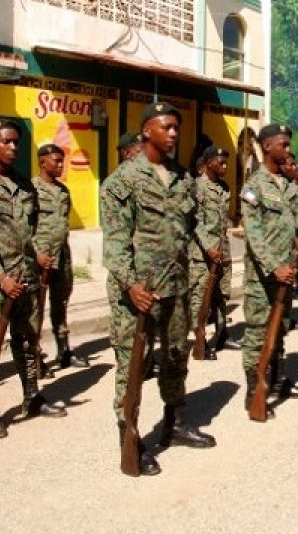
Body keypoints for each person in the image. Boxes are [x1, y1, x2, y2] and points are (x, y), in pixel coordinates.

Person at [101, 102, 216, 476]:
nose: (173, 133)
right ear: (146, 130)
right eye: (165, 127)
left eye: (175, 128)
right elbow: (115, 245)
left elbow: (192, 227)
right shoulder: (122, 181)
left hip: (176, 287)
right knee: (131, 366)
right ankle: (129, 437)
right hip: (137, 292)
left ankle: (176, 422)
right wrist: (131, 284)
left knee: (174, 357)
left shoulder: (183, 179)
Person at [0, 119, 67, 439]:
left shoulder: (25, 185)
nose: (12, 147)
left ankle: (32, 396)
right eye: (5, 141)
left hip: (25, 277)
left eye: (16, 142)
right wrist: (0, 276)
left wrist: (34, 259)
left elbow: (30, 230)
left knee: (27, 340)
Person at [239, 124, 298, 410]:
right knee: (257, 332)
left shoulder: (290, 187)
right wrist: (274, 266)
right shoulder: (254, 187)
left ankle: (275, 379)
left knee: (280, 329)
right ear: (267, 147)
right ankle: (255, 390)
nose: (289, 150)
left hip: (286, 276)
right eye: (284, 145)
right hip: (262, 278)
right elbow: (253, 233)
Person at [32, 144, 90, 372]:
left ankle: (63, 350)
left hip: (61, 256)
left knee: (61, 304)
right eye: (55, 161)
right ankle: (34, 357)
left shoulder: (63, 191)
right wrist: (36, 254)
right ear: (42, 162)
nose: (60, 165)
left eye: (62, 161)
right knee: (35, 310)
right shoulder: (31, 190)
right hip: (40, 259)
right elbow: (26, 227)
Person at [189, 146, 233, 359]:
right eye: (220, 161)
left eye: (225, 161)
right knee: (200, 297)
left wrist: (222, 249)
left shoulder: (224, 188)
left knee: (221, 295)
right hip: (202, 255)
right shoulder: (196, 188)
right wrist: (208, 247)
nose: (224, 164)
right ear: (207, 164)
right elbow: (194, 222)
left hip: (222, 251)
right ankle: (201, 339)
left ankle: (222, 334)